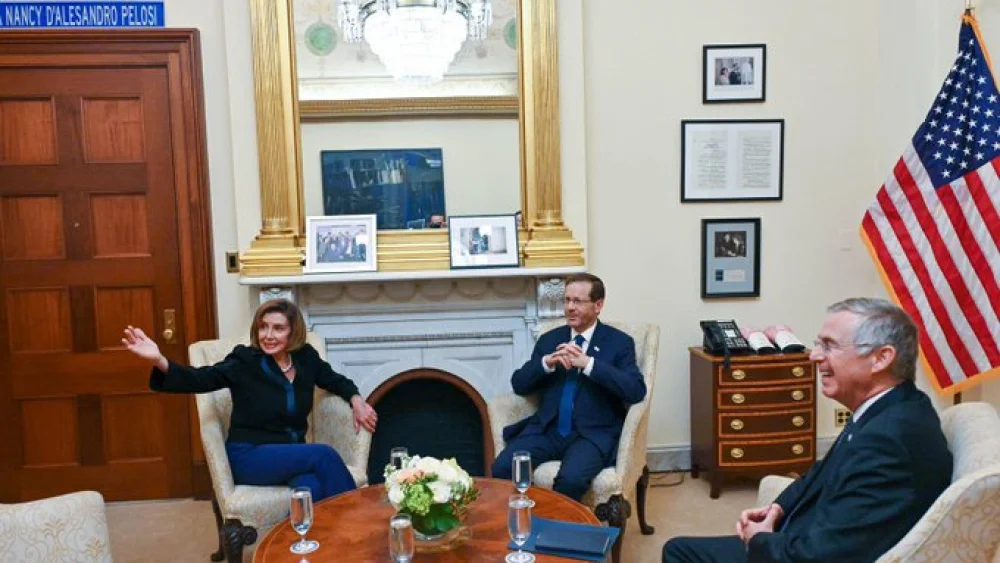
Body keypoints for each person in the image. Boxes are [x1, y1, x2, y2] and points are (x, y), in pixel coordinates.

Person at [663, 297, 953, 563]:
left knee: (678, 553)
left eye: (829, 345)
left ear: (881, 358)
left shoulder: (888, 440)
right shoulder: (893, 408)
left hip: (800, 550)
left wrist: (760, 539)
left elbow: (819, 556)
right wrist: (776, 509)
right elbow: (821, 473)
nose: (814, 356)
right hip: (803, 532)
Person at [122, 298, 378, 502]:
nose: (268, 335)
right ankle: (358, 528)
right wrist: (159, 361)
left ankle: (305, 550)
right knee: (324, 455)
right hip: (250, 456)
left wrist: (356, 399)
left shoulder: (305, 358)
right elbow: (201, 379)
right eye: (263, 327)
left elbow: (334, 379)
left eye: (278, 328)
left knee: (310, 491)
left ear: (293, 332)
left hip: (291, 455)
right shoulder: (244, 361)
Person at [491, 273, 647, 501]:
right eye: (567, 300)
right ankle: (523, 525)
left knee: (571, 480)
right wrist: (546, 363)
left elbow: (635, 390)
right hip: (548, 430)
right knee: (504, 466)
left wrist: (589, 364)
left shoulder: (619, 342)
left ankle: (558, 533)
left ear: (598, 305)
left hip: (591, 434)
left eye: (578, 301)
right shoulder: (549, 339)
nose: (570, 307)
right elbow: (519, 384)